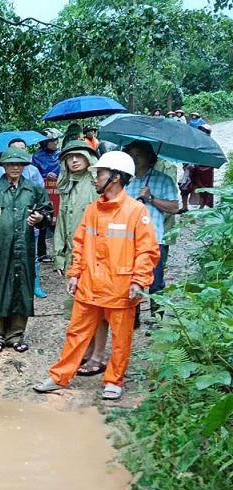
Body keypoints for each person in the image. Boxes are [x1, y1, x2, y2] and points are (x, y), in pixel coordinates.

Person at [33, 151, 160, 400]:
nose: (95, 178)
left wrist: (138, 281)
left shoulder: (136, 212)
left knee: (121, 338)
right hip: (89, 285)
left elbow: (148, 251)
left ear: (115, 177)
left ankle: (114, 380)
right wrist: (74, 274)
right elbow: (79, 244)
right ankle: (60, 376)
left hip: (121, 288)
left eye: (99, 173)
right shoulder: (92, 210)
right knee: (76, 333)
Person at [0, 147, 53, 353]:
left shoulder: (33, 189)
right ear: (3, 166)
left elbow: (47, 212)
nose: (15, 167)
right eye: (10, 164)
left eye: (19, 164)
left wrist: (40, 218)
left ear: (24, 166)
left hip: (24, 246)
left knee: (21, 287)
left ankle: (16, 335)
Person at [53, 141, 109, 377]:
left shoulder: (98, 185)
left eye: (79, 156)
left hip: (95, 258)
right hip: (74, 258)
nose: (74, 160)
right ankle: (84, 352)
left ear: (89, 158)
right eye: (69, 157)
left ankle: (98, 355)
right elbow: (62, 223)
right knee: (79, 309)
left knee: (97, 308)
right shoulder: (68, 186)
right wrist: (59, 255)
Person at [122, 141, 179, 323]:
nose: (135, 158)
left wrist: (150, 198)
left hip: (155, 239)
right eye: (131, 154)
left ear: (149, 156)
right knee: (131, 280)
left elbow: (174, 207)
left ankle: (157, 320)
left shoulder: (164, 179)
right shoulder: (126, 181)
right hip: (129, 239)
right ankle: (134, 317)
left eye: (139, 154)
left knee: (156, 282)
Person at [32, 128, 61, 263]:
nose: (55, 142)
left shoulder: (60, 155)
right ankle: (42, 253)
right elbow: (34, 175)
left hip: (58, 193)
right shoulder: (37, 157)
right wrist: (45, 176)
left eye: (56, 140)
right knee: (43, 221)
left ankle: (59, 253)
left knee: (59, 223)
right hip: (44, 193)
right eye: (52, 140)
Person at [180, 124, 215, 210]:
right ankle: (184, 207)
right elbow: (187, 154)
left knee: (203, 188)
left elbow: (210, 161)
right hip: (190, 168)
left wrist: (197, 167)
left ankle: (201, 208)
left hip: (204, 172)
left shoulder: (210, 145)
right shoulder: (192, 142)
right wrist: (187, 165)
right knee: (184, 186)